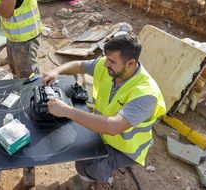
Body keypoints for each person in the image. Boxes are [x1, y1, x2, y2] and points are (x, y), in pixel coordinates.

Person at [42, 33, 166, 184]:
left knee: (85, 165)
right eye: (107, 58)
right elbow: (79, 65)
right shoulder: (108, 66)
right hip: (102, 132)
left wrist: (67, 111)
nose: (106, 64)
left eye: (112, 61)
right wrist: (56, 71)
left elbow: (113, 126)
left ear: (131, 64)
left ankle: (100, 176)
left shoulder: (146, 94)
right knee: (76, 147)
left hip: (125, 147)